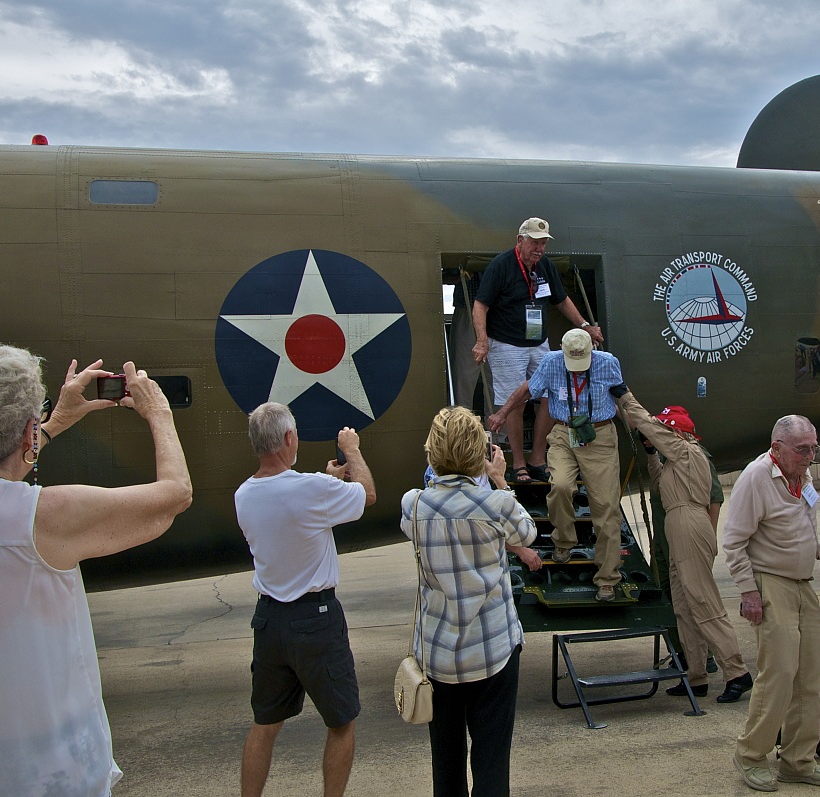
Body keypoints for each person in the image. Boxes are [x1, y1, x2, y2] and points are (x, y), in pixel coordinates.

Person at [0, 345, 192, 796]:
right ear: (27, 433)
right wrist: (159, 413)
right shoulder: (47, 517)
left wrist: (49, 428)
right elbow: (174, 495)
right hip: (51, 779)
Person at [236, 402, 376, 797]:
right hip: (315, 619)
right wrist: (352, 451)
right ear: (289, 439)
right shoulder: (314, 490)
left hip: (268, 621)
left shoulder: (243, 495)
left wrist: (325, 480)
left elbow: (291, 506)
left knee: (264, 724)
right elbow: (366, 494)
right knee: (342, 722)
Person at [401, 406, 537, 797]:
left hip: (438, 656)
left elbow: (421, 510)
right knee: (492, 764)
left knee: (445, 765)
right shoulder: (497, 505)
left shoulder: (414, 504)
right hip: (492, 650)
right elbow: (525, 534)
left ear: (432, 453)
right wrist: (498, 479)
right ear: (480, 452)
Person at [722, 415, 820, 792]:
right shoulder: (756, 476)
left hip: (803, 583)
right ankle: (751, 755)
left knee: (809, 675)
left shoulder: (803, 477)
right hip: (770, 583)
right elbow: (733, 542)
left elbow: (802, 533)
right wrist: (749, 592)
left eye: (814, 447)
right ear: (777, 447)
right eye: (803, 449)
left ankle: (799, 760)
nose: (811, 456)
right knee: (778, 672)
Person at [619, 394, 753, 702]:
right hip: (677, 525)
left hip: (689, 521)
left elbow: (646, 422)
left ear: (677, 432)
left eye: (665, 431)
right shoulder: (674, 462)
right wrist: (651, 453)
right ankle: (696, 677)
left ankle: (737, 671)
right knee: (683, 605)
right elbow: (657, 481)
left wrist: (625, 396)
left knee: (703, 601)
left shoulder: (689, 451)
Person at [489, 328, 625, 601]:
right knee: (560, 485)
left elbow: (624, 398)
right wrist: (502, 413)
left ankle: (608, 578)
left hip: (599, 436)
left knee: (606, 508)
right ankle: (563, 540)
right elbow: (526, 389)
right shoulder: (551, 362)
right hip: (564, 434)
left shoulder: (608, 363)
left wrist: (641, 429)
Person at [473, 218, 603, 483]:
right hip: (507, 344)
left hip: (538, 342)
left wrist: (585, 325)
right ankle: (519, 462)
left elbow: (561, 299)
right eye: (534, 242)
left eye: (543, 243)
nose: (539, 249)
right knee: (517, 402)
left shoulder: (545, 266)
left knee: (550, 395)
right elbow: (480, 305)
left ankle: (537, 458)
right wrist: (482, 341)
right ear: (520, 240)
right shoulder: (501, 265)